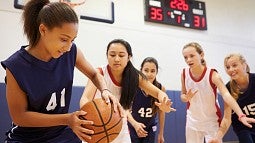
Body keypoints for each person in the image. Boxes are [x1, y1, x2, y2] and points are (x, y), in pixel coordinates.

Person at [0, 0, 121, 142]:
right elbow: (20, 117)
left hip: (61, 133)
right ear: (43, 30)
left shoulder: (71, 52)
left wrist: (105, 90)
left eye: (72, 40)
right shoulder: (16, 66)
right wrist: (67, 119)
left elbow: (95, 74)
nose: (68, 47)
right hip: (27, 137)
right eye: (64, 39)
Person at [80, 39, 175, 143]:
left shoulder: (134, 76)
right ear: (107, 55)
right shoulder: (99, 73)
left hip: (119, 126)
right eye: (112, 55)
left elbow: (158, 93)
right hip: (96, 126)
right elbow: (85, 98)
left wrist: (164, 102)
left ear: (129, 57)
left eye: (121, 55)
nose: (116, 59)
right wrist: (90, 116)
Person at [180, 42, 254, 143]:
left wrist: (241, 115)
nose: (188, 60)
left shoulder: (212, 74)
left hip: (211, 121)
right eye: (185, 57)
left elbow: (226, 96)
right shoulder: (184, 73)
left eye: (192, 56)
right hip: (192, 121)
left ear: (201, 55)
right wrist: (185, 98)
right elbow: (183, 96)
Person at [209, 53, 255, 143]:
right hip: (243, 128)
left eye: (234, 65)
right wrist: (218, 137)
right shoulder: (228, 89)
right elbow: (227, 118)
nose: (231, 69)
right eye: (227, 67)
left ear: (244, 65)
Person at [127, 57, 168, 143]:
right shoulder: (133, 86)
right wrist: (134, 124)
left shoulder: (160, 88)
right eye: (146, 70)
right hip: (134, 125)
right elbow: (125, 109)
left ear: (157, 72)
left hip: (150, 128)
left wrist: (161, 133)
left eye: (153, 71)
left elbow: (161, 112)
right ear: (141, 71)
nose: (149, 74)